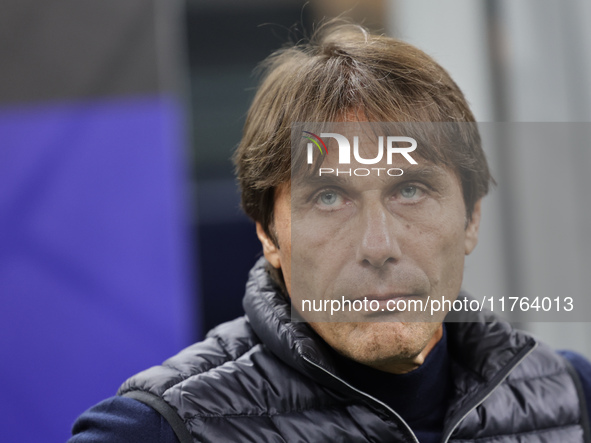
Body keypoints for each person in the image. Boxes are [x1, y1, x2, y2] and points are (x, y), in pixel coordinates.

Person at [69, 22, 591, 443]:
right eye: (328, 197)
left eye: (410, 190)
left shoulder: (573, 397)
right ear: (268, 235)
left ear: (471, 217)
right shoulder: (160, 429)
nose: (379, 247)